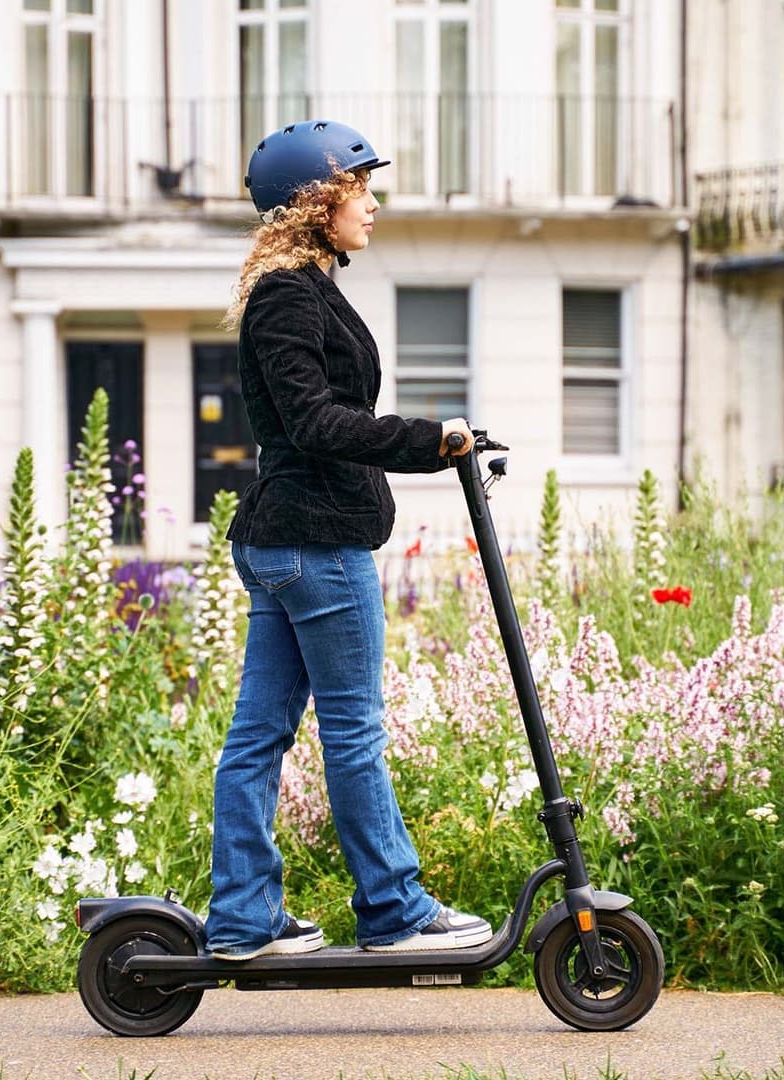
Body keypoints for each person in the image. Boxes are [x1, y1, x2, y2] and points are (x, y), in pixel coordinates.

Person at [204, 120, 487, 961]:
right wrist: (427, 440)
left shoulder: (299, 288)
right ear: (314, 203)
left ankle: (244, 919)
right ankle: (395, 909)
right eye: (359, 188)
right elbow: (317, 421)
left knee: (259, 735)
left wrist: (426, 445)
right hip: (315, 542)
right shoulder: (290, 294)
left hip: (290, 539)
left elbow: (317, 417)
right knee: (355, 729)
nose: (372, 203)